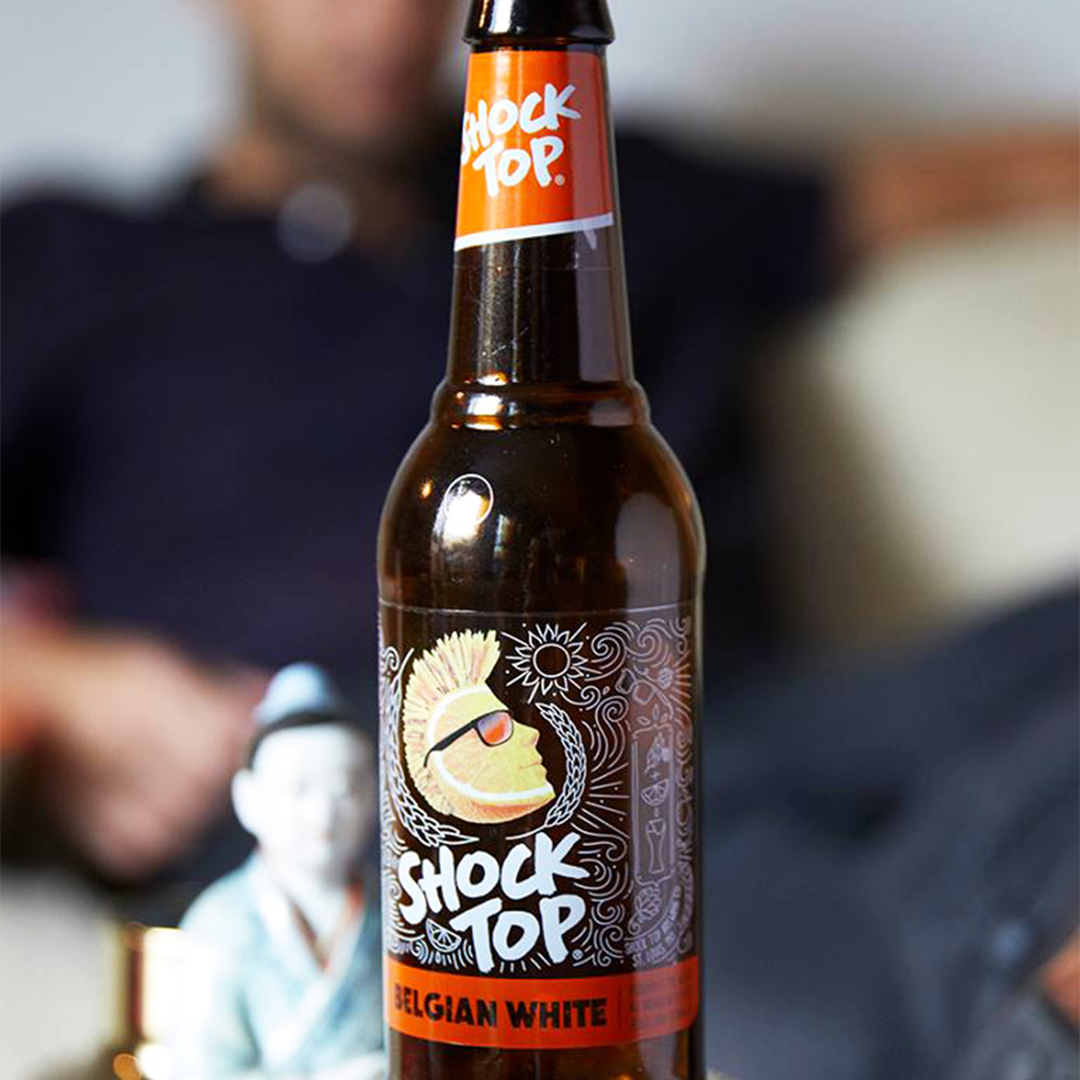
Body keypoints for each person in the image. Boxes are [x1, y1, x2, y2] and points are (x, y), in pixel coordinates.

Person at [173, 663, 383, 1080]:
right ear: (248, 798)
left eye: (344, 789)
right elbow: (198, 1068)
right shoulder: (221, 922)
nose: (323, 813)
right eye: (297, 790)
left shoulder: (397, 915)